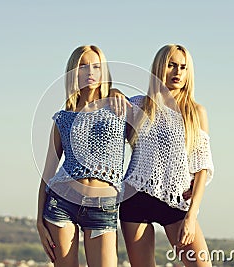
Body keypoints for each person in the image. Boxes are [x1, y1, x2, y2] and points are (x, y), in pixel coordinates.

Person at [119, 44, 214, 267]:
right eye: (171, 65)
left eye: (183, 67)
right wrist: (114, 92)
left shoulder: (195, 112)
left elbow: (202, 167)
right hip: (135, 199)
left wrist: (191, 216)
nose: (178, 72)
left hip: (177, 202)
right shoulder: (138, 105)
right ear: (160, 68)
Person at [36, 45, 128, 267]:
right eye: (83, 66)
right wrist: (39, 220)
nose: (90, 72)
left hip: (103, 204)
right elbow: (48, 171)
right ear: (74, 73)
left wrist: (116, 92)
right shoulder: (63, 118)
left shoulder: (119, 106)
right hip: (61, 203)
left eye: (96, 66)